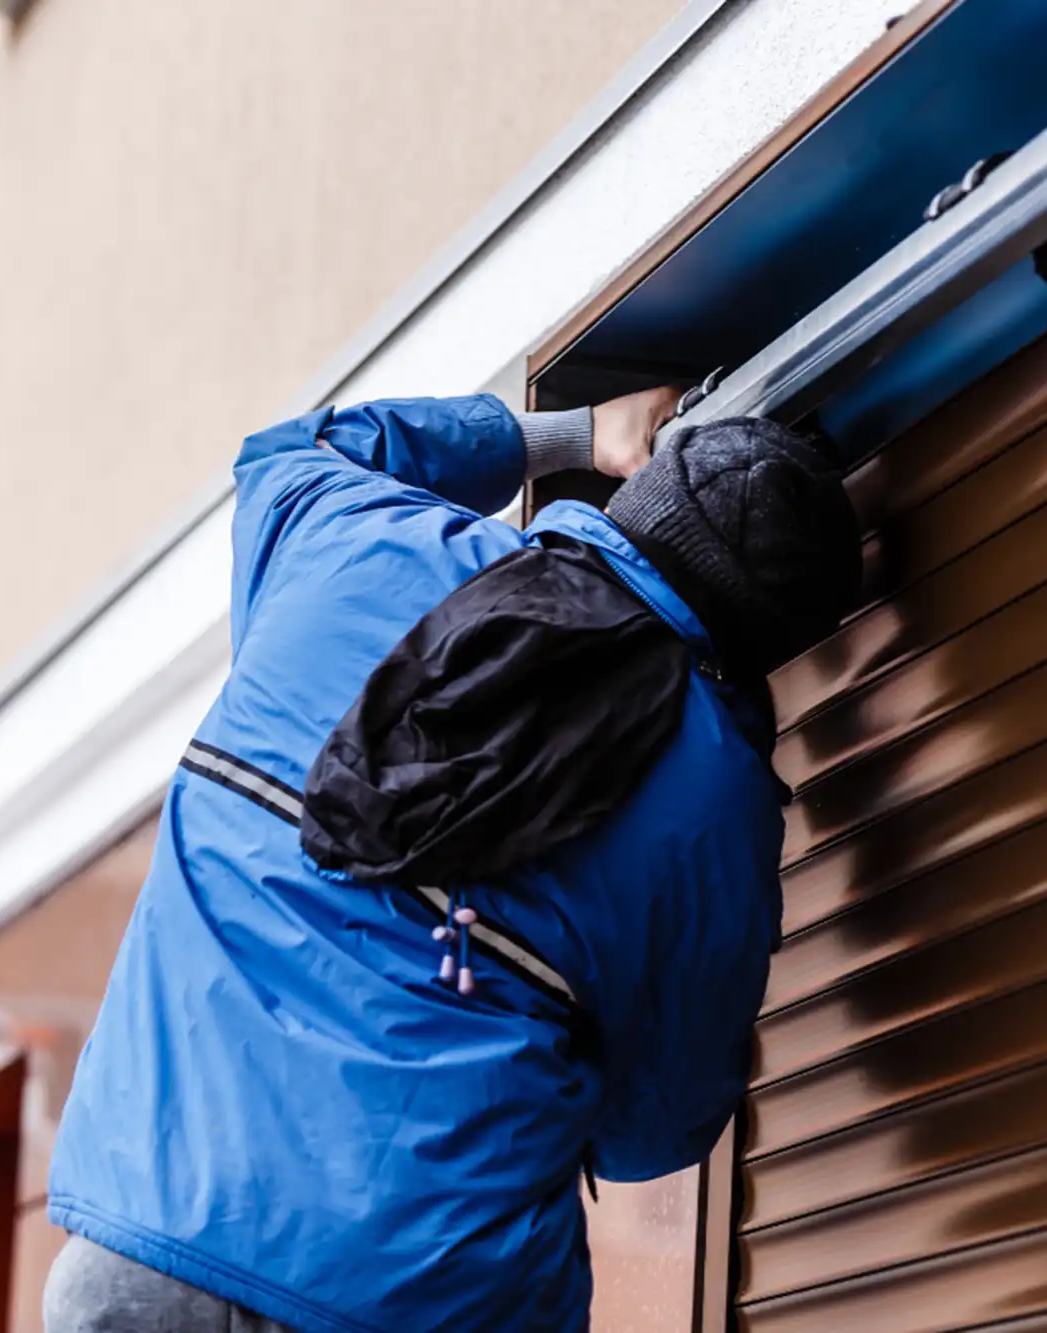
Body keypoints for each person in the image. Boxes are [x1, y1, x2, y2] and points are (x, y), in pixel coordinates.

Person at [42, 387, 861, 1333]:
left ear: (638, 495)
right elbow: (656, 1131)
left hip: (141, 1250)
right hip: (419, 1301)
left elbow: (287, 449)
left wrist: (573, 434)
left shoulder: (351, 545)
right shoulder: (717, 806)